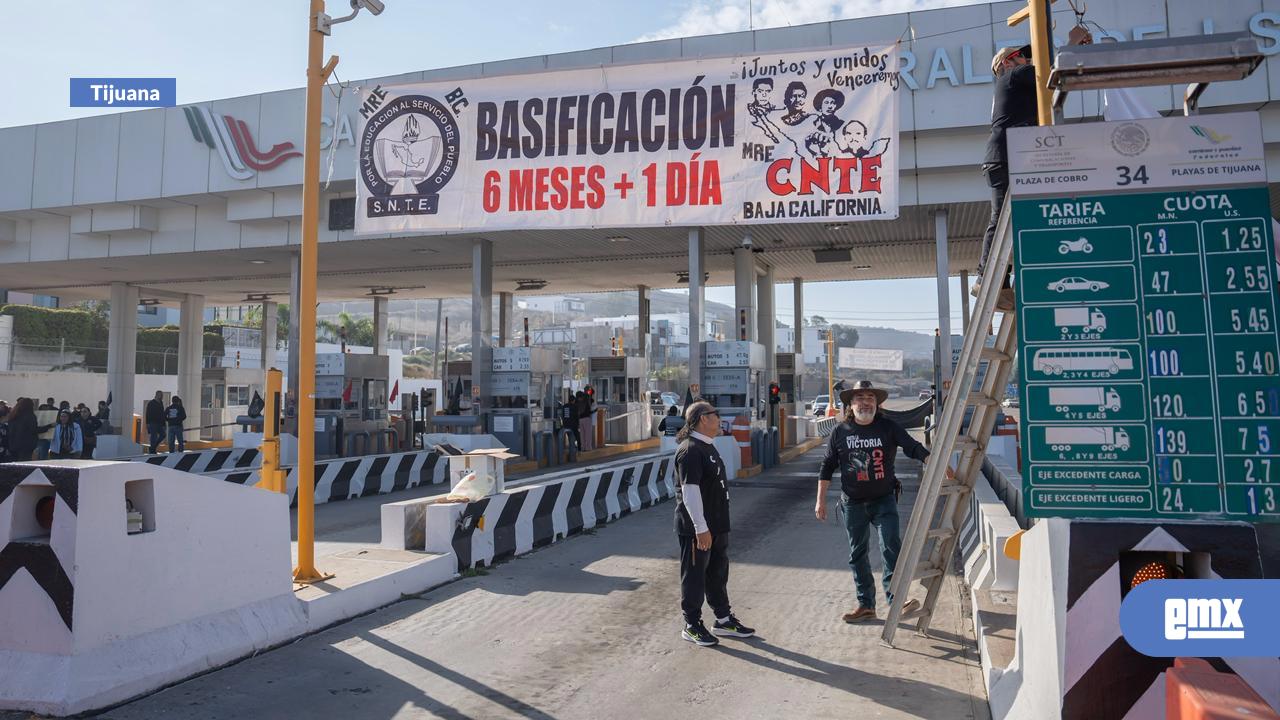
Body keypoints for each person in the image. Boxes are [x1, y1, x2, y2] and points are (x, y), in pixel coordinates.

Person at [816, 380, 952, 623]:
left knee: (891, 545)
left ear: (877, 403)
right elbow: (827, 466)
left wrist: (936, 463)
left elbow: (913, 447)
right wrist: (820, 501)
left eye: (870, 397)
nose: (865, 402)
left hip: (883, 500)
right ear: (851, 404)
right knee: (857, 554)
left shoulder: (889, 427)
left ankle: (897, 600)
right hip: (852, 503)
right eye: (860, 398)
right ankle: (865, 605)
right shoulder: (840, 431)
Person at [974, 32, 1090, 310]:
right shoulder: (1013, 77)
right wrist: (1072, 44)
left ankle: (999, 281)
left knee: (1010, 219)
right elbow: (1049, 73)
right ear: (1006, 63)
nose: (1026, 59)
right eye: (1021, 56)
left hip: (1010, 156)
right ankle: (987, 279)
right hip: (1006, 157)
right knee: (1001, 219)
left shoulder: (1015, 86)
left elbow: (1052, 83)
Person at [674, 401, 754, 646]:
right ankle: (692, 624)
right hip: (699, 529)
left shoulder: (707, 446)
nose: (719, 418)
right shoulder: (690, 450)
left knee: (717, 574)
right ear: (701, 419)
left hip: (717, 526)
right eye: (715, 414)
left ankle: (722, 618)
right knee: (695, 576)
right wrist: (701, 528)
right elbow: (690, 492)